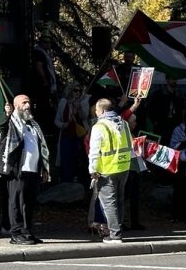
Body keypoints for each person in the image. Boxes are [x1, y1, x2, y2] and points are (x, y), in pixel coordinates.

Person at [0, 94, 51, 245]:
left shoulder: (33, 125)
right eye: (24, 102)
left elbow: (41, 148)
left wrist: (44, 169)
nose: (28, 105)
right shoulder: (12, 122)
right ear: (16, 106)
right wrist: (7, 114)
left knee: (29, 203)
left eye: (29, 102)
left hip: (32, 171)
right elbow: (2, 128)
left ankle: (27, 231)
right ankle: (16, 233)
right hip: (16, 170)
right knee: (16, 203)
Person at [87, 98, 133, 243]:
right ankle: (117, 229)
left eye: (96, 110)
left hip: (106, 169)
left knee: (109, 203)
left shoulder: (99, 126)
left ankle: (115, 234)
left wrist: (92, 169)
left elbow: (94, 150)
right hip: (124, 167)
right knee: (119, 200)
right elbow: (130, 145)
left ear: (102, 110)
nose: (95, 112)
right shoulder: (124, 123)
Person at [54, 83, 89, 184]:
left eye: (79, 91)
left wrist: (79, 108)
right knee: (66, 160)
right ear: (70, 91)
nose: (77, 92)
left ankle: (77, 182)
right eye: (75, 90)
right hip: (66, 135)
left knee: (77, 160)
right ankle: (65, 182)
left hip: (79, 136)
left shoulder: (82, 102)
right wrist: (63, 125)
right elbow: (57, 120)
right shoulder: (63, 102)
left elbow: (84, 117)